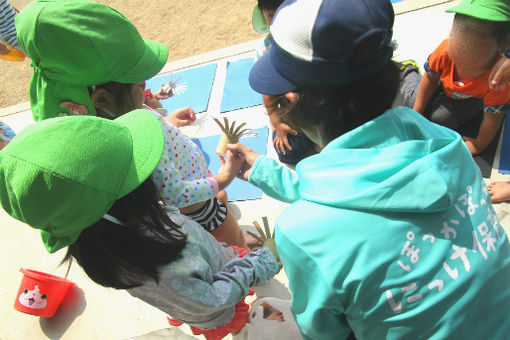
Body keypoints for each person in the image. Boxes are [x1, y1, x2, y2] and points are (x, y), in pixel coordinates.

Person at [227, 0, 510, 338]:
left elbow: (324, 332)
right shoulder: (447, 144)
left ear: (292, 99)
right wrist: (263, 171)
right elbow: (359, 191)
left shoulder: (303, 235)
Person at [0, 109, 279, 339]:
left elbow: (186, 280)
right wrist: (262, 261)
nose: (154, 171)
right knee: (248, 328)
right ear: (127, 196)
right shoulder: (166, 267)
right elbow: (212, 299)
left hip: (200, 282)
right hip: (220, 303)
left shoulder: (110, 235)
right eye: (140, 167)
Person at [15, 0, 247, 248]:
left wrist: (165, 119)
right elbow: (177, 193)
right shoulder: (138, 145)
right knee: (235, 244)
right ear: (102, 97)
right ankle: (242, 256)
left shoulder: (116, 113)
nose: (146, 86)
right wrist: (224, 177)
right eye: (139, 85)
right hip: (198, 209)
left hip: (198, 187)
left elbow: (134, 110)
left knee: (219, 198)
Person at [413, 0, 510, 156]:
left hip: (471, 98)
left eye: (473, 65)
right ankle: (408, 71)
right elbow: (429, 79)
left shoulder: (499, 81)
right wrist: (415, 113)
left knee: (440, 119)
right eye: (456, 61)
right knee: (412, 103)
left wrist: (479, 145)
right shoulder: (444, 51)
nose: (462, 73)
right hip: (444, 87)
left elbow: (493, 119)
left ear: (504, 43)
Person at [252, 0, 315, 165]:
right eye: (271, 16)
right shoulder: (266, 50)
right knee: (289, 151)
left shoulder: (306, 34)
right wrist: (277, 123)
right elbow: (268, 93)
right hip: (289, 109)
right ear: (261, 14)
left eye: (283, 14)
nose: (278, 22)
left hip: (316, 98)